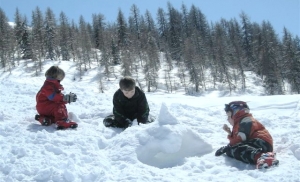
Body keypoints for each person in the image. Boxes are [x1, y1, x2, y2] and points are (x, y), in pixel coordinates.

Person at [215, 101, 279, 169]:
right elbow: (238, 142)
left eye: (229, 115)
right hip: (259, 144)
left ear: (236, 113)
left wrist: (228, 149)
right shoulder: (240, 122)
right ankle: (263, 155)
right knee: (234, 149)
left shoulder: (246, 121)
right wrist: (230, 134)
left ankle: (263, 157)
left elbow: (239, 141)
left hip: (261, 143)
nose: (227, 119)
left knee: (237, 150)